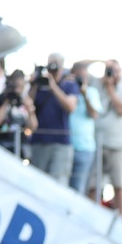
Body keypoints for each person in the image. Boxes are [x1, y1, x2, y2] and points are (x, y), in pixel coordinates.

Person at [91, 59, 122, 216]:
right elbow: (78, 67)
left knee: (120, 185)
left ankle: (121, 222)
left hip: (119, 145)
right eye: (109, 70)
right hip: (97, 143)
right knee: (92, 185)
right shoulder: (96, 85)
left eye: (116, 71)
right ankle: (91, 217)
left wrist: (110, 88)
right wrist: (99, 61)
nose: (112, 74)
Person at [28, 53, 79, 185]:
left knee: (57, 183)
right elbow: (28, 104)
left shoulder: (69, 85)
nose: (52, 67)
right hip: (39, 141)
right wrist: (34, 84)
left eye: (55, 64)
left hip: (60, 143)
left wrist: (53, 87)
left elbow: (70, 106)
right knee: (37, 182)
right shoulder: (39, 85)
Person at [0, 70, 38, 158]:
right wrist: (7, 102)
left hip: (20, 148)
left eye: (21, 87)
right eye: (15, 86)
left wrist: (30, 110)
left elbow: (33, 127)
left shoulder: (24, 102)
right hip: (0, 147)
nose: (17, 90)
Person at [68, 62, 101, 195]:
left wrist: (84, 94)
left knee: (78, 188)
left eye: (84, 77)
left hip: (85, 148)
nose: (82, 80)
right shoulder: (67, 90)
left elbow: (94, 114)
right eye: (79, 77)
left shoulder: (92, 92)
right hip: (67, 145)